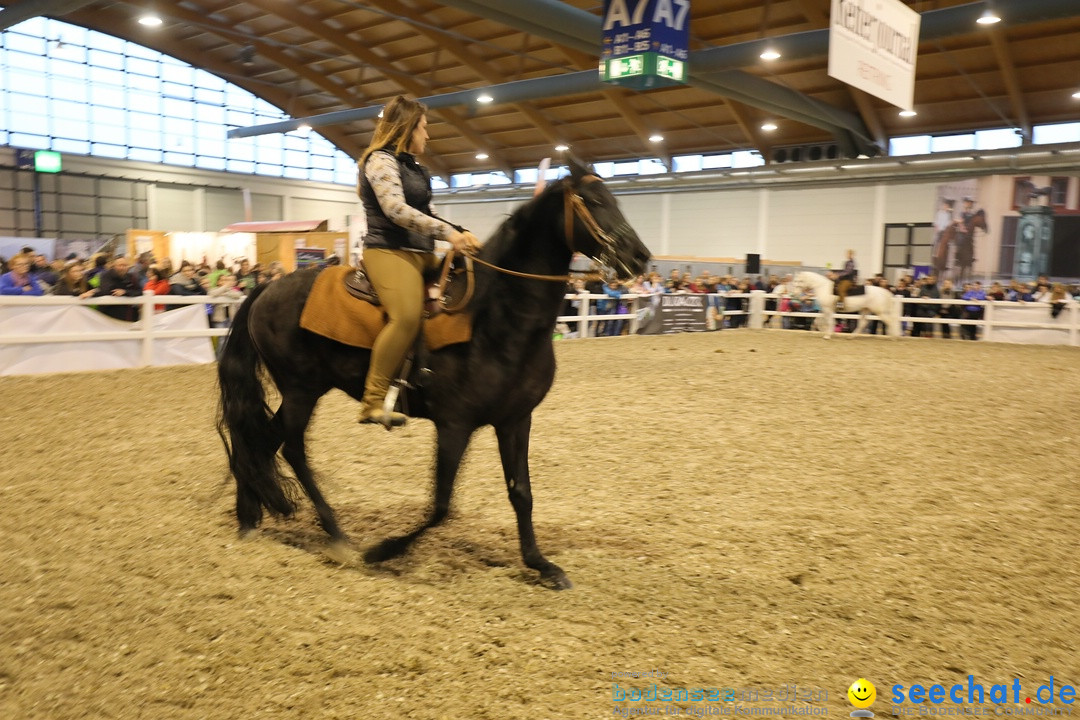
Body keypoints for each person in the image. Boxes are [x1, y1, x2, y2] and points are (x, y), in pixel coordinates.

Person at [356, 95, 479, 427]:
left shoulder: (415, 167)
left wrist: (459, 232)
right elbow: (395, 210)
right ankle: (372, 400)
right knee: (407, 317)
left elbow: (428, 212)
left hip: (421, 252)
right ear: (408, 127)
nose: (428, 135)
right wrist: (446, 233)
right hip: (388, 251)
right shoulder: (380, 161)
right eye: (424, 127)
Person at [95, 256, 143, 321]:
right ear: (114, 266)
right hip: (108, 317)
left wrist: (125, 292)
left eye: (125, 265)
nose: (122, 268)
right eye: (120, 265)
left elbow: (140, 291)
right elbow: (106, 290)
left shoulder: (132, 277)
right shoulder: (106, 276)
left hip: (129, 317)